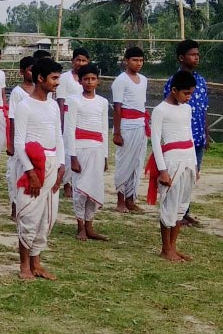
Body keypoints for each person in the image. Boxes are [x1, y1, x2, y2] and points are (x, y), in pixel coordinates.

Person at [11, 57, 65, 281]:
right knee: (29, 215)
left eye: (58, 78)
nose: (57, 83)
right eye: (54, 78)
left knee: (48, 216)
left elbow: (59, 138)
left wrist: (61, 166)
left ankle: (37, 262)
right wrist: (31, 172)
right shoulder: (24, 106)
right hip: (31, 167)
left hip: (53, 164)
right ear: (40, 78)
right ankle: (24, 264)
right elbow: (18, 143)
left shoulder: (53, 105)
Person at [149, 70, 198, 262]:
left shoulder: (187, 109)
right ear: (174, 90)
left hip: (187, 159)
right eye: (186, 93)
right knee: (170, 204)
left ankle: (173, 246)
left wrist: (195, 164)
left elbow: (190, 137)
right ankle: (165, 248)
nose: (189, 97)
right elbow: (155, 140)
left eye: (191, 93)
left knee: (181, 205)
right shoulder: (160, 110)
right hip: (171, 161)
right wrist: (162, 170)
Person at [163, 40, 210, 226]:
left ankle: (185, 210)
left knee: (192, 176)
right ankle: (174, 212)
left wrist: (206, 132)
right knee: (178, 176)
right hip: (179, 139)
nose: (196, 57)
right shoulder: (173, 82)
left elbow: (204, 107)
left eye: (198, 54)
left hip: (197, 137)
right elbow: (169, 110)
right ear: (182, 58)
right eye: (192, 54)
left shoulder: (201, 80)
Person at [65, 63, 109, 242]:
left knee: (95, 187)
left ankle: (90, 225)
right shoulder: (74, 100)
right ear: (80, 81)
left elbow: (104, 129)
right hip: (80, 148)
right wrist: (72, 157)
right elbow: (69, 129)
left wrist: (105, 155)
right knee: (80, 189)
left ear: (98, 81)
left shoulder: (103, 102)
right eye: (86, 79)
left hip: (97, 149)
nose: (90, 82)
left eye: (93, 79)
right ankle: (80, 226)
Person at [112, 47, 149, 214]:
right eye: (135, 60)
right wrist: (117, 132)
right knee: (124, 163)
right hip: (126, 125)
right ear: (126, 61)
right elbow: (117, 108)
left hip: (141, 125)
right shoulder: (121, 80)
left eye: (141, 60)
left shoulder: (144, 79)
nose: (138, 63)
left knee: (137, 163)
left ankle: (130, 198)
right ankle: (120, 200)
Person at [56, 48, 90, 197]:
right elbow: (61, 100)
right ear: (73, 61)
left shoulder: (88, 78)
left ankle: (79, 182)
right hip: (68, 116)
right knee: (68, 150)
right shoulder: (65, 78)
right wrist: (61, 122)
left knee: (80, 150)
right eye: (78, 60)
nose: (81, 63)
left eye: (84, 61)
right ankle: (67, 183)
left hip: (83, 117)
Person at [7, 56, 35, 218]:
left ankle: (28, 206)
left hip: (35, 138)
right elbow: (12, 118)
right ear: (22, 72)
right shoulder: (18, 92)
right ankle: (14, 206)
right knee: (15, 173)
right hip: (20, 138)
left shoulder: (41, 90)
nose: (33, 73)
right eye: (30, 69)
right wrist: (11, 143)